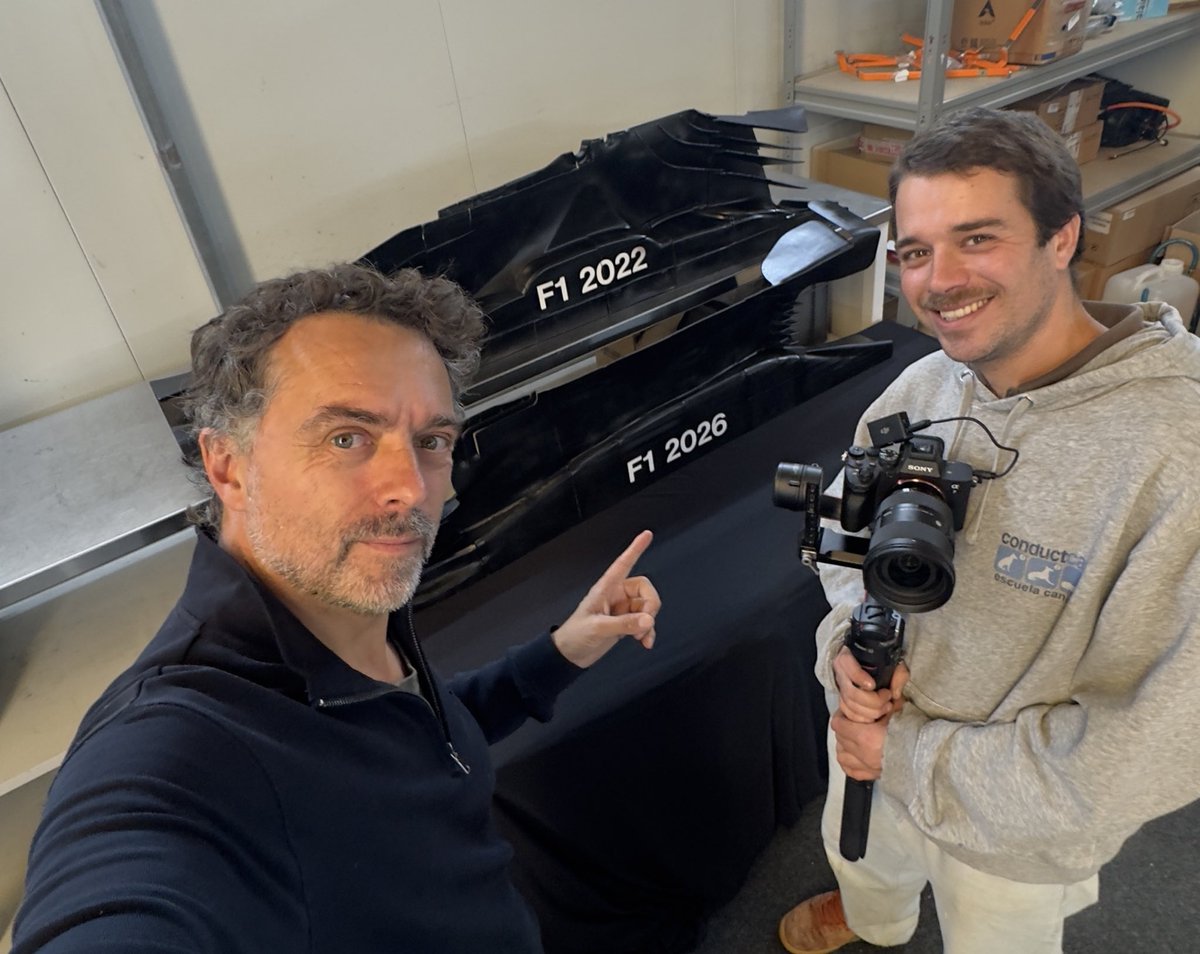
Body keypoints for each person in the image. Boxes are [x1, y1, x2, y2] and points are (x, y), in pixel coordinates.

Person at [13, 264, 661, 953]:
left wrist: (563, 651)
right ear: (228, 466)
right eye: (346, 437)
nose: (411, 488)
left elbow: (412, 735)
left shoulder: (343, 613)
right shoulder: (179, 744)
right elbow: (123, 881)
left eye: (431, 441)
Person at [778, 107, 1200, 954]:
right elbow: (848, 548)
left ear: (1062, 237)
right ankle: (875, 917)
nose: (939, 281)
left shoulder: (1174, 454)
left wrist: (906, 754)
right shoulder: (924, 386)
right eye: (916, 251)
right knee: (864, 862)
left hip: (1014, 833)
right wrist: (848, 646)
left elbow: (1154, 743)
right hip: (869, 743)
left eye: (977, 239)